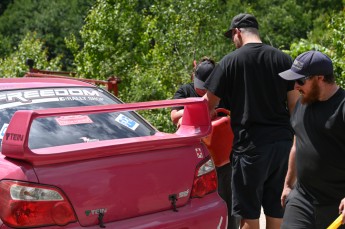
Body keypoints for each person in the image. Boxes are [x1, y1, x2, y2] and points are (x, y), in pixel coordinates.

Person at [202, 13, 300, 229]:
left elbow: (208, 104)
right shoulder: (283, 59)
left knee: (249, 214)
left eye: (232, 37)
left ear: (238, 32)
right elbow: (295, 107)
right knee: (276, 211)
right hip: (282, 146)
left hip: (250, 148)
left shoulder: (230, 61)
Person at [171, 57, 240, 229]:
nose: (202, 91)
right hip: (195, 159)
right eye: (200, 87)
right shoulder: (186, 91)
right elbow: (174, 115)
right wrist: (200, 110)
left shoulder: (225, 92)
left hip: (224, 157)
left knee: (228, 200)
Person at [278, 50, 345, 228]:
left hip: (337, 204)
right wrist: (287, 185)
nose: (295, 87)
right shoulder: (302, 103)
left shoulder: (342, 107)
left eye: (300, 81)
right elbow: (296, 145)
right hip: (302, 199)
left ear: (320, 78)